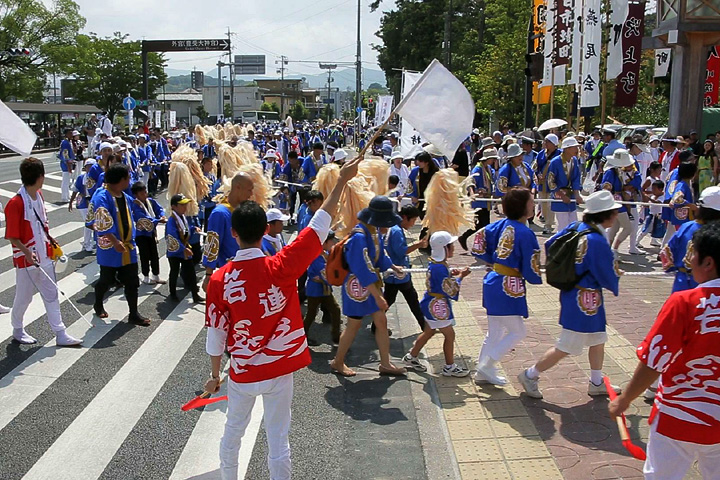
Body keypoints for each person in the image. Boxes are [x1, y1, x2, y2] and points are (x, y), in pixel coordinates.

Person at [202, 156, 361, 480]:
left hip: (243, 371)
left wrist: (215, 374)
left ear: (233, 233)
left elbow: (216, 334)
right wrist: (341, 181)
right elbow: (319, 225)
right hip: (280, 368)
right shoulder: (282, 265)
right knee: (278, 440)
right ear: (265, 230)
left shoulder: (220, 280)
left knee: (233, 433)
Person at [609, 221, 720, 480]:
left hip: (678, 415)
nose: (689, 259)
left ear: (708, 262)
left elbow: (654, 361)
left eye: (693, 253)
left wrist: (625, 399)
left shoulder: (685, 302)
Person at [518, 190, 622, 399]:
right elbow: (606, 272)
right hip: (585, 299)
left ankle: (596, 380)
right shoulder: (596, 239)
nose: (616, 215)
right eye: (613, 212)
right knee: (566, 346)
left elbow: (551, 243)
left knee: (598, 338)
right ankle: (531, 374)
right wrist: (616, 276)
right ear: (605, 214)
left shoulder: (576, 228)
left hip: (575, 293)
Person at [5, 157, 82, 345]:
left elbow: (41, 225)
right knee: (24, 298)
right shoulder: (15, 203)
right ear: (40, 176)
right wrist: (26, 252)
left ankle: (60, 333)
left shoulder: (38, 195)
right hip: (26, 259)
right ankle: (17, 328)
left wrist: (50, 239)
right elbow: (12, 236)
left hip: (45, 255)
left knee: (52, 294)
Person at [330, 196, 407, 377]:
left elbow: (380, 256)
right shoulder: (359, 236)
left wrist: (393, 267)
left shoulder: (373, 231)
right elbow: (362, 267)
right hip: (357, 286)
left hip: (370, 284)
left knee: (381, 321)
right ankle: (338, 361)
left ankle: (385, 363)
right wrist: (378, 296)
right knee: (353, 325)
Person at [472, 188, 542, 385]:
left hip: (493, 279)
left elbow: (479, 240)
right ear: (523, 207)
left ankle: (482, 371)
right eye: (531, 201)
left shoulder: (499, 225)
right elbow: (531, 264)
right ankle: (487, 365)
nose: (534, 204)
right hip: (507, 286)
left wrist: (489, 260)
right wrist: (535, 276)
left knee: (494, 331)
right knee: (518, 331)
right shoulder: (525, 233)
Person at [401, 231, 471, 377]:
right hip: (437, 306)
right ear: (444, 248)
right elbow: (449, 289)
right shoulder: (439, 267)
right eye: (451, 245)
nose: (453, 248)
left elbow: (442, 281)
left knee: (429, 332)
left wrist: (451, 274)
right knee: (450, 335)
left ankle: (411, 357)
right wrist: (460, 276)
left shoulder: (436, 262)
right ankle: (449, 367)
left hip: (430, 302)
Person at [90, 163, 150, 326]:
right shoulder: (102, 196)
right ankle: (98, 303)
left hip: (127, 247)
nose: (129, 181)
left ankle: (133, 313)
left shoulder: (124, 196)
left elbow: (135, 209)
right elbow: (102, 221)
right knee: (106, 279)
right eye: (128, 178)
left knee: (132, 280)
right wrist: (115, 241)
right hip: (111, 247)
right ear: (121, 180)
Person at [660, 186, 720, 293]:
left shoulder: (686, 227)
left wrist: (677, 268)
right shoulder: (716, 233)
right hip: (709, 288)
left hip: (681, 283)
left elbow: (666, 254)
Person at [202, 172, 254, 292]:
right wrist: (209, 275)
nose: (251, 194)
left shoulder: (244, 209)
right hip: (230, 275)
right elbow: (212, 243)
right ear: (237, 187)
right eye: (249, 190)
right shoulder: (220, 213)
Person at [382, 205, 427, 332]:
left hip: (395, 274)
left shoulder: (394, 228)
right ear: (405, 218)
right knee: (411, 299)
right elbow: (401, 251)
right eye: (413, 221)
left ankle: (376, 326)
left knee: (390, 300)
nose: (413, 224)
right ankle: (425, 327)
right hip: (398, 274)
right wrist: (418, 244)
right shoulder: (396, 231)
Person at [304, 231, 342, 346]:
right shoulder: (317, 256)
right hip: (315, 290)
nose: (333, 243)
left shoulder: (324, 253)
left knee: (335, 310)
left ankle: (336, 337)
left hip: (323, 289)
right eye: (331, 241)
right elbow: (325, 274)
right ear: (324, 242)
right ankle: (303, 336)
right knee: (311, 314)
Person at [602, 149, 643, 256]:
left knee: (614, 228)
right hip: (615, 202)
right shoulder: (611, 172)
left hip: (619, 202)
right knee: (627, 227)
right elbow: (606, 190)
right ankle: (613, 249)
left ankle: (608, 250)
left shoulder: (617, 171)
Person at [166, 194, 204, 303]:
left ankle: (195, 294)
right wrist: (183, 249)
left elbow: (185, 230)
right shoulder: (171, 221)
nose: (185, 207)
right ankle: (173, 293)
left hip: (184, 248)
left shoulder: (182, 217)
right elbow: (172, 237)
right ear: (174, 206)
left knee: (191, 271)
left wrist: (193, 229)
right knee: (174, 271)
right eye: (182, 205)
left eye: (185, 205)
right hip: (175, 251)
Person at [458, 148, 496, 250]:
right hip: (479, 202)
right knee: (483, 224)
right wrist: (472, 193)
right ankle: (466, 238)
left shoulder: (488, 168)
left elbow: (494, 177)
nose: (494, 161)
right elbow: (470, 182)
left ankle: (478, 243)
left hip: (485, 201)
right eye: (492, 159)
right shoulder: (478, 169)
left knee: (483, 224)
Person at [130, 181, 167, 285]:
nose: (145, 195)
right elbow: (143, 219)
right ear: (136, 195)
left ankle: (156, 275)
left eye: (145, 192)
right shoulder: (135, 206)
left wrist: (161, 215)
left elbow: (159, 209)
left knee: (154, 254)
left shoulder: (150, 201)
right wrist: (158, 221)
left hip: (150, 233)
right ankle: (145, 276)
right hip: (141, 234)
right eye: (141, 194)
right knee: (144, 255)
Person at [547, 137, 584, 231]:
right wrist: (562, 195)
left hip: (570, 195)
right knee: (563, 225)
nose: (577, 150)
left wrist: (577, 195)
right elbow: (551, 182)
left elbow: (576, 178)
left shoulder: (574, 160)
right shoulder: (555, 162)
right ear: (567, 149)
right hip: (559, 195)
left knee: (574, 223)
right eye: (574, 147)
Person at [68, 159, 96, 252]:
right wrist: (71, 202)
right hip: (83, 202)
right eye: (88, 166)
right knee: (88, 223)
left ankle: (90, 241)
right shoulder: (81, 178)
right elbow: (75, 190)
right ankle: (87, 243)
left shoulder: (97, 177)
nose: (90, 168)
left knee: (92, 222)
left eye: (92, 166)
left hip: (93, 202)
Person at [535, 134, 561, 234]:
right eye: (545, 141)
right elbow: (536, 167)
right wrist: (538, 175)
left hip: (553, 183)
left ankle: (548, 225)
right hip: (542, 183)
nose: (545, 143)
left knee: (551, 204)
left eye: (548, 142)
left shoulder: (559, 154)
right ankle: (546, 221)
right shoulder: (541, 154)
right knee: (543, 204)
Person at [636, 169, 666, 248]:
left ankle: (655, 241)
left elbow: (658, 203)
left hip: (658, 216)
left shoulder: (662, 196)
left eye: (654, 189)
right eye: (652, 189)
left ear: (660, 189)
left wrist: (649, 199)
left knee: (659, 231)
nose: (652, 191)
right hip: (651, 215)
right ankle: (636, 242)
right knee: (644, 230)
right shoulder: (653, 196)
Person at [58, 128, 76, 202]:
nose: (71, 135)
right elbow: (65, 155)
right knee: (65, 181)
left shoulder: (68, 142)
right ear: (66, 134)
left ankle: (67, 195)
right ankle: (64, 197)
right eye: (70, 133)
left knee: (67, 180)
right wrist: (68, 165)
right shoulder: (65, 143)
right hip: (66, 164)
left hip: (68, 163)